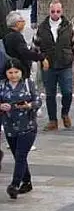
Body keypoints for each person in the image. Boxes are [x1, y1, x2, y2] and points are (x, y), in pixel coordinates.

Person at [34, 1, 74, 130]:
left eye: (58, 11)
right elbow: (35, 47)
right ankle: (52, 120)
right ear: (49, 11)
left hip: (65, 63)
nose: (55, 14)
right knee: (50, 94)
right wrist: (41, 59)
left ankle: (65, 113)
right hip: (49, 65)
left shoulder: (68, 26)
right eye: (53, 11)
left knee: (67, 92)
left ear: (62, 11)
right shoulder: (42, 27)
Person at [1, 60, 41, 199]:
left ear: (21, 72)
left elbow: (38, 101)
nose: (13, 75)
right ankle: (27, 181)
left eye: (16, 72)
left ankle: (15, 184)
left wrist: (28, 105)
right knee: (17, 156)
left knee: (20, 155)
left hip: (27, 125)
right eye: (10, 73)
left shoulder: (28, 84)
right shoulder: (2, 85)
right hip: (9, 126)